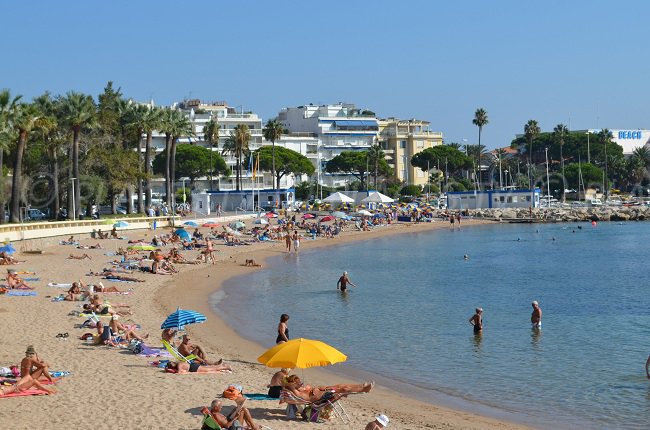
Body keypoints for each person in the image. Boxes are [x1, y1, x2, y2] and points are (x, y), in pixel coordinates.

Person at [284, 375, 374, 402]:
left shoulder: (302, 389)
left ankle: (361, 386)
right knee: (344, 390)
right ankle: (364, 389)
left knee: (340, 385)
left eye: (300, 382)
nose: (300, 383)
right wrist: (309, 389)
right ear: (293, 383)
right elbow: (287, 385)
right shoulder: (298, 393)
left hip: (323, 390)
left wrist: (313, 388)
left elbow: (310, 388)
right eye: (298, 382)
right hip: (323, 396)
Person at [165, 361, 231, 374]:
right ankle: (223, 366)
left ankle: (226, 367)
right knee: (210, 367)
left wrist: (169, 370)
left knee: (211, 369)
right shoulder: (179, 363)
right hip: (193, 366)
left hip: (194, 368)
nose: (171, 367)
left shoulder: (179, 364)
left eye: (171, 365)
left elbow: (179, 372)